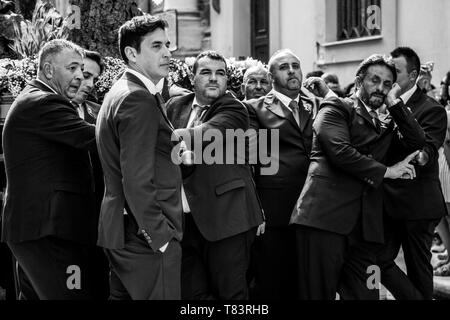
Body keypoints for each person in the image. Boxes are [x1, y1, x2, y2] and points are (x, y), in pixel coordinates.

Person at [290, 54, 426, 300]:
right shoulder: (335, 108)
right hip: (323, 221)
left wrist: (395, 104)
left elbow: (417, 141)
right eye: (375, 80)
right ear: (359, 81)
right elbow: (340, 152)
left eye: (387, 84)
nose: (381, 88)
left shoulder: (387, 123)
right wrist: (388, 171)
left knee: (367, 295)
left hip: (366, 231)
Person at [1, 39, 97, 299]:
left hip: (36, 231)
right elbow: (96, 138)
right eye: (73, 67)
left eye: (81, 69)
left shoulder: (35, 99)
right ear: (48, 69)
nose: (79, 75)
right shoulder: (44, 102)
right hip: (50, 232)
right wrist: (143, 132)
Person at [96, 15, 183, 300]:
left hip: (123, 231)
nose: (168, 52)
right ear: (132, 54)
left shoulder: (121, 91)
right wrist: (160, 238)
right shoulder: (137, 97)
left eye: (167, 44)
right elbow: (135, 178)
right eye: (156, 46)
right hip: (143, 237)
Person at [166, 50, 264, 300]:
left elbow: (205, 134)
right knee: (192, 295)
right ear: (192, 77)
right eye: (206, 72)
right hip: (184, 223)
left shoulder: (234, 108)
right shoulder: (176, 105)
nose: (214, 78)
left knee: (231, 296)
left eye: (220, 73)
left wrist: (158, 138)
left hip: (228, 218)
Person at [245, 49, 335, 300]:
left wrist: (328, 93)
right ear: (271, 76)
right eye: (284, 67)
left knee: (310, 281)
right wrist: (255, 208)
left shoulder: (317, 105)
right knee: (273, 279)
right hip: (276, 208)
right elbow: (250, 161)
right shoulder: (254, 109)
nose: (292, 70)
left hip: (317, 207)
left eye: (296, 65)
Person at [375, 47, 447, 300]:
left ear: (413, 75)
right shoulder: (379, 105)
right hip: (386, 203)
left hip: (418, 205)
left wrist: (395, 105)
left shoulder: (432, 109)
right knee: (379, 260)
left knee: (418, 269)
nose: (388, 76)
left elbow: (425, 153)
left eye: (395, 71)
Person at [71, 49, 109, 300]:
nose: (89, 84)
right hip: (65, 220)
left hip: (98, 219)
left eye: (94, 79)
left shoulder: (101, 111)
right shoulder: (47, 109)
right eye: (84, 75)